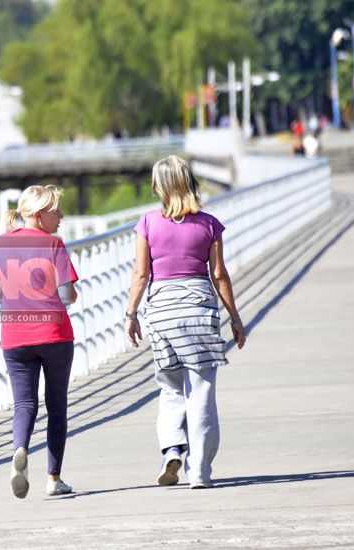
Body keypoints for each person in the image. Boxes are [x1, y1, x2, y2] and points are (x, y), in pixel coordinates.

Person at [124, 155, 246, 489]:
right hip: (199, 309)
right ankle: (200, 471)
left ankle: (171, 449)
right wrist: (235, 319)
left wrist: (132, 314)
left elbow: (141, 274)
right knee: (201, 389)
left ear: (157, 187)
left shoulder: (147, 224)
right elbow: (218, 275)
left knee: (170, 386)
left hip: (162, 311)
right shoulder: (209, 225)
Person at [0, 184, 79, 498]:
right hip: (54, 334)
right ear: (39, 215)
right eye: (56, 211)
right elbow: (67, 296)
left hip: (15, 336)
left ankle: (20, 450)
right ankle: (54, 479)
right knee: (56, 407)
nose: (61, 216)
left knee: (24, 404)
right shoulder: (54, 244)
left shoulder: (2, 243)